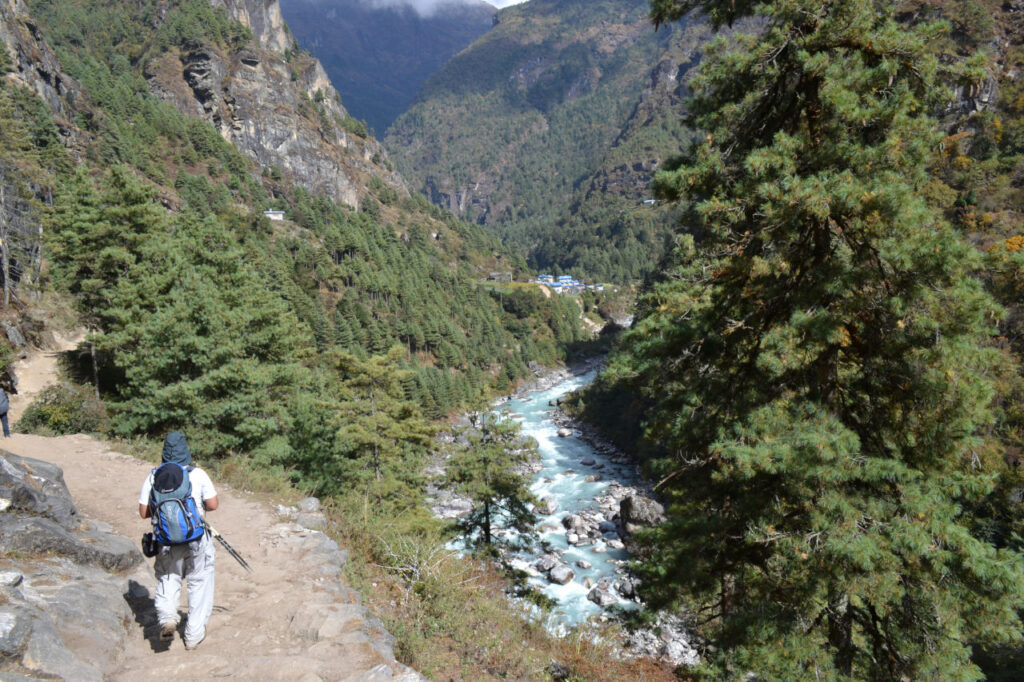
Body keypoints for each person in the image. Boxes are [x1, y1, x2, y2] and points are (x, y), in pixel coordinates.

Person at [138, 432, 218, 649]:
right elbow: (213, 504)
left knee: (168, 577)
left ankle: (167, 619)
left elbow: (143, 512)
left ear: (164, 452)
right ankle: (193, 635)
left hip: (165, 541)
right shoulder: (197, 473)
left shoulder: (154, 476)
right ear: (186, 451)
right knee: (199, 582)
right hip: (196, 538)